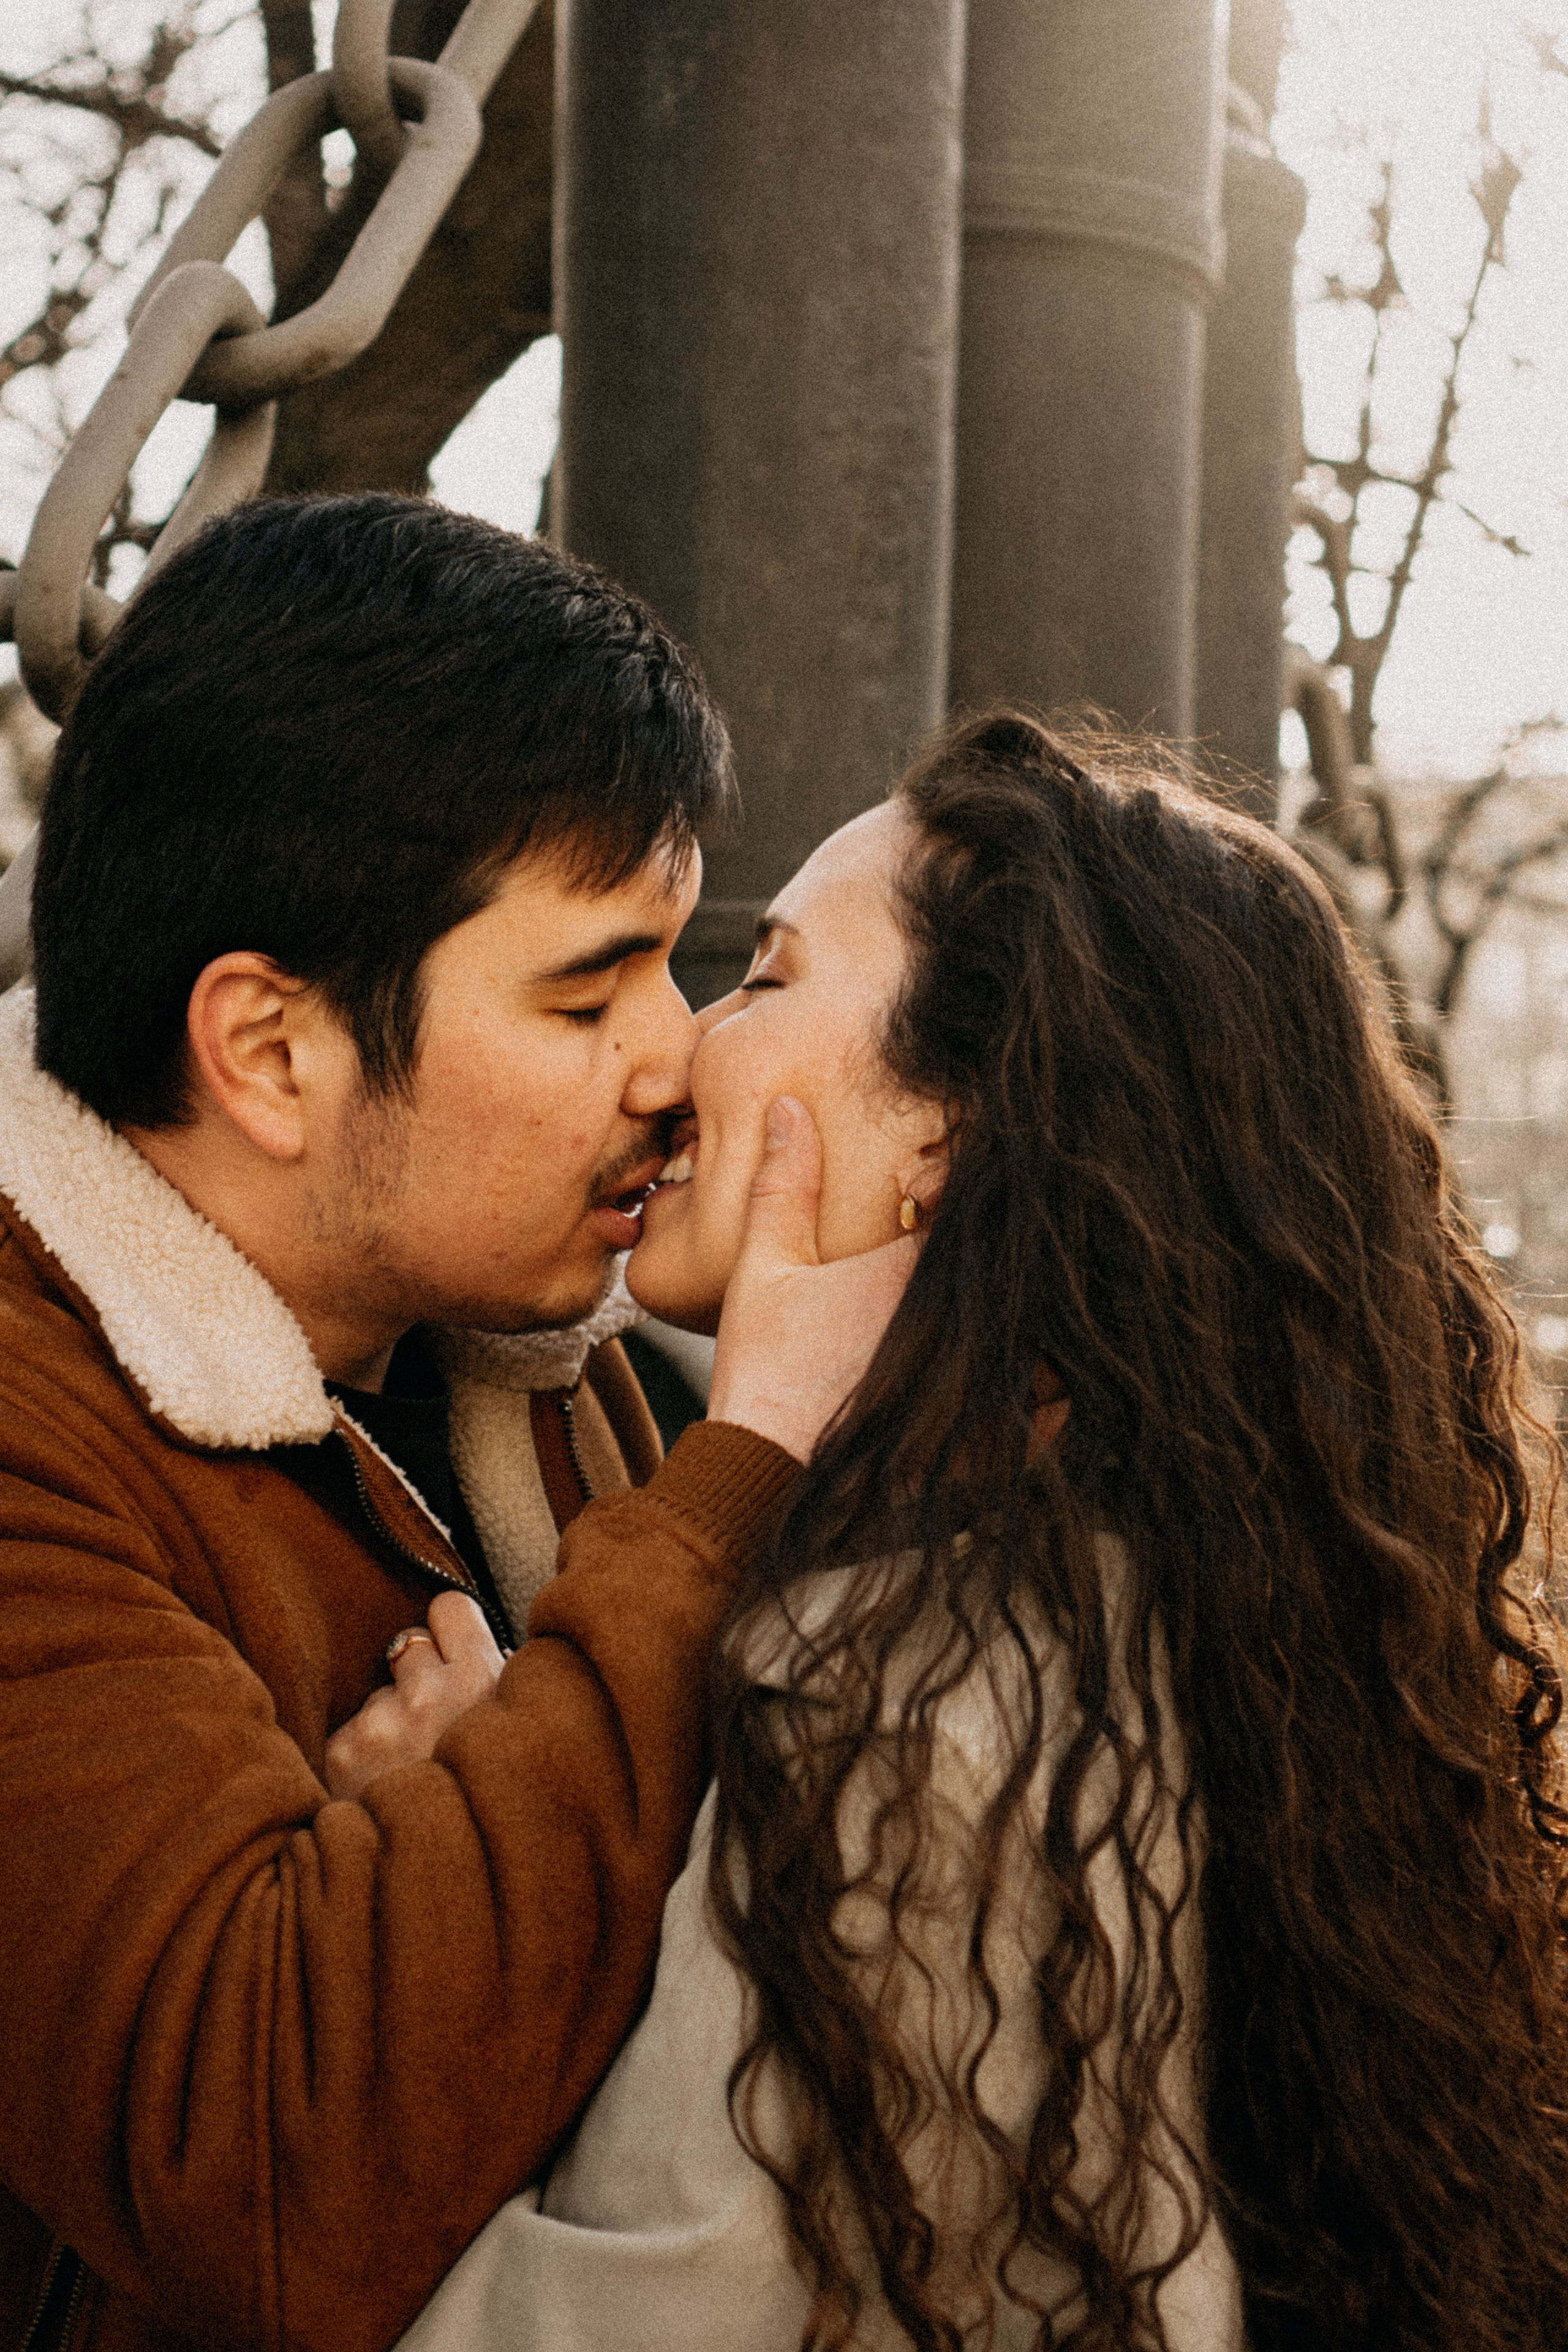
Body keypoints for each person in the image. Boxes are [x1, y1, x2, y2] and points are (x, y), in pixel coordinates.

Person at [382, 710, 1568, 2352]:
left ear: (951, 1139)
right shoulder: (1212, 1610)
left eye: (766, 978)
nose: (680, 1052)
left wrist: (441, 1896)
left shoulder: (906, 1709)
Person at [0, 493, 915, 2352]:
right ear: (272, 1051)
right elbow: (270, 2171)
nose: (676, 1057)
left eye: (679, 965)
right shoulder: (31, 1423)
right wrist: (743, 1477)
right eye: (587, 998)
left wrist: (432, 1853)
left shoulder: (525, 1345)